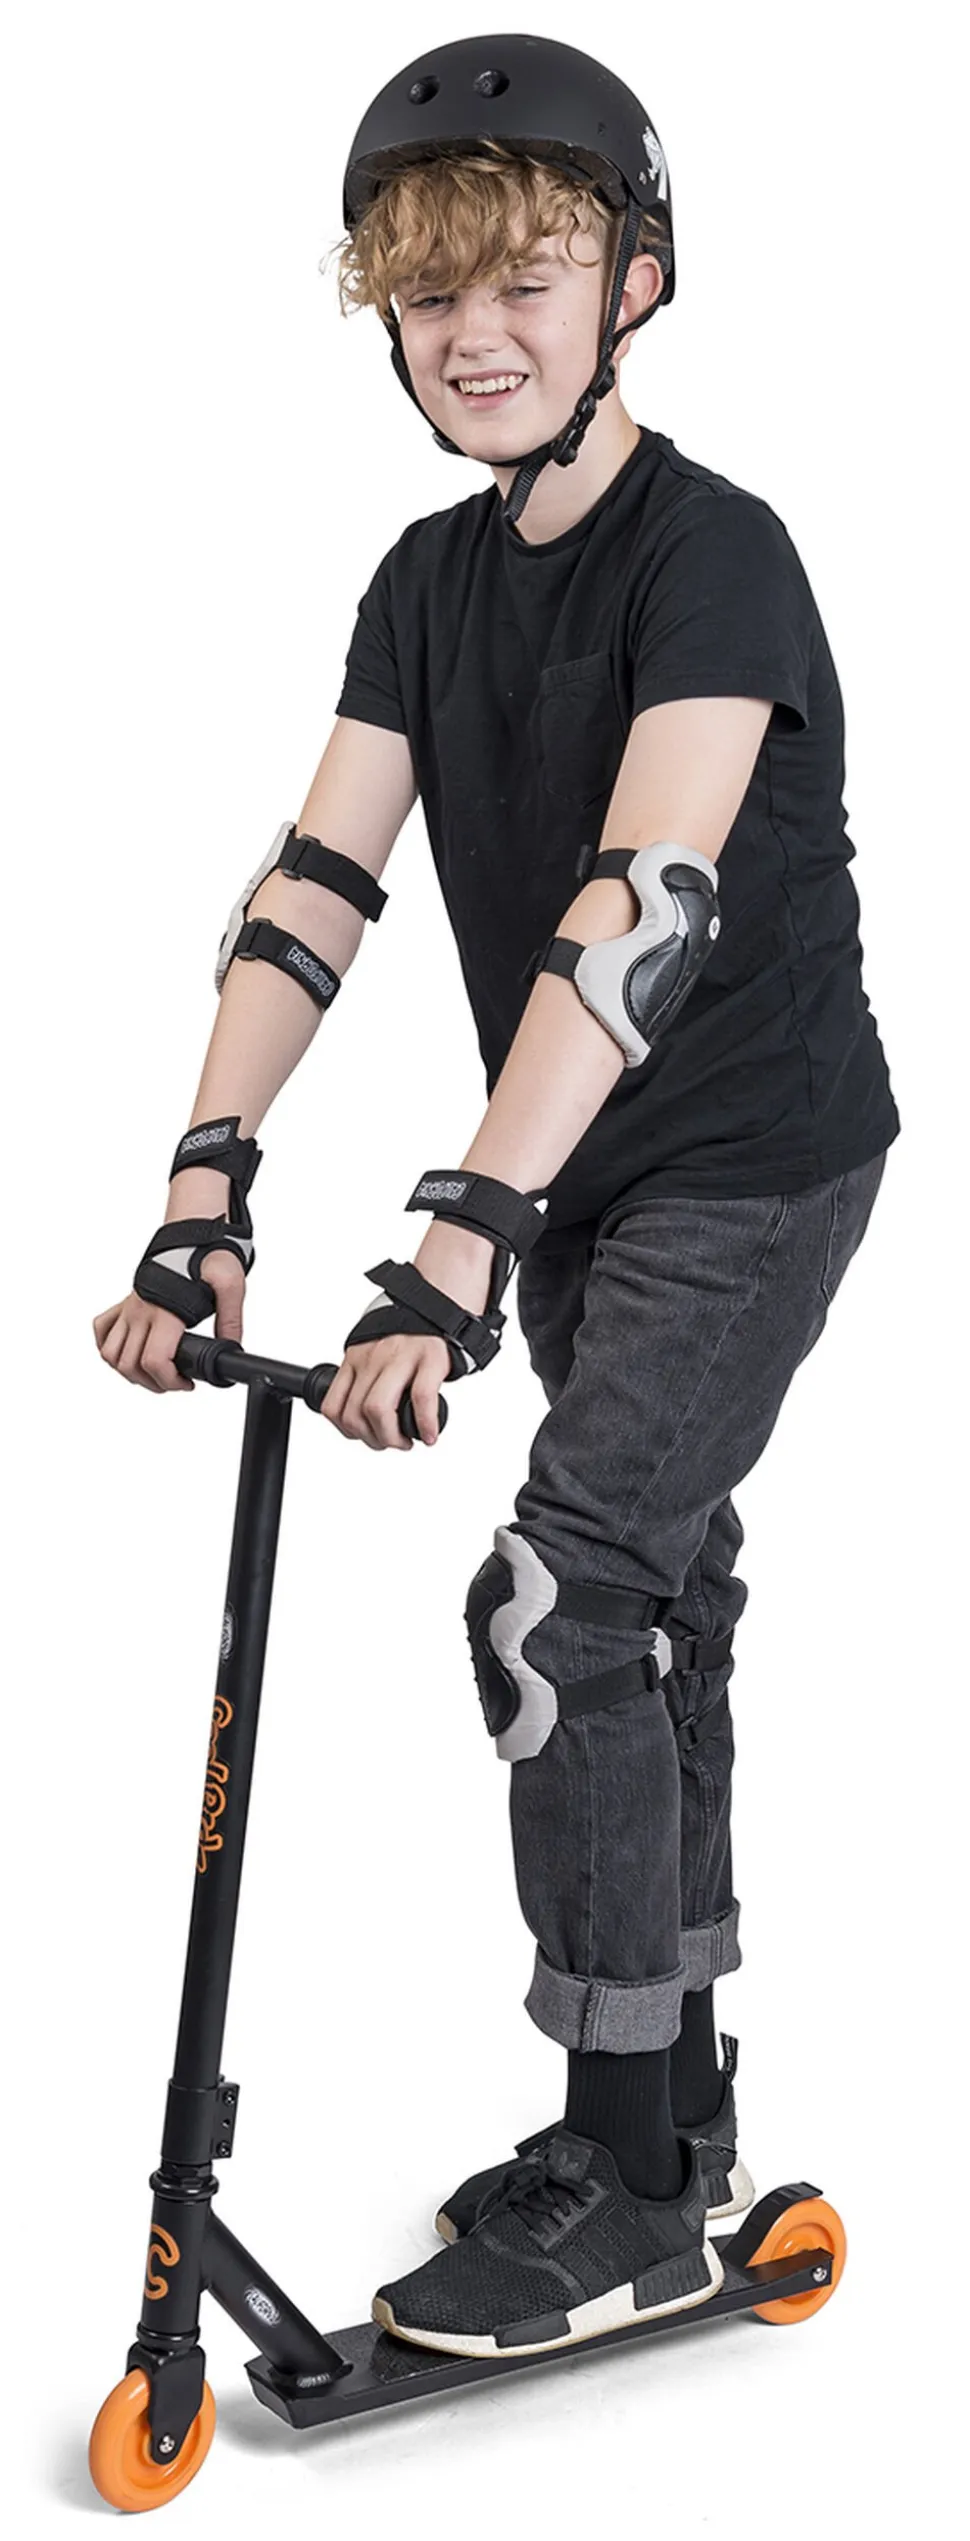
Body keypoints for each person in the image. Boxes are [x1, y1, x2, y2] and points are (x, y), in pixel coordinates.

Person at [92, 34, 900, 2364]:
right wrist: (205, 1182)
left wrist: (453, 1237)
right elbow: (316, 886)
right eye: (429, 290)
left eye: (522, 277)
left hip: (746, 1152)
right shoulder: (425, 582)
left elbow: (638, 912)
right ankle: (672, 2102)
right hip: (580, 1170)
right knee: (656, 1601)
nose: (472, 331)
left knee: (559, 1597)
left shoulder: (713, 556)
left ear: (632, 282)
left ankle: (624, 2181)